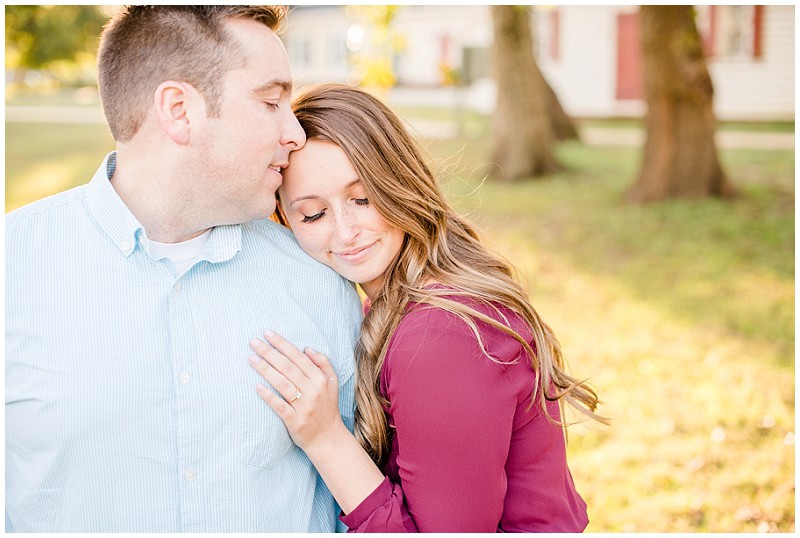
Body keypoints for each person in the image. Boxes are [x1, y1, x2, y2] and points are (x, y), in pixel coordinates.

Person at [5, 7, 362, 533]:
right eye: (270, 102)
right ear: (179, 110)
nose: (295, 133)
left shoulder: (320, 279)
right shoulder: (12, 268)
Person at [247, 83, 607, 532]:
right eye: (313, 215)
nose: (345, 232)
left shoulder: (439, 334)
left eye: (363, 199)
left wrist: (325, 439)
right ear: (284, 222)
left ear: (399, 181)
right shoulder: (395, 304)